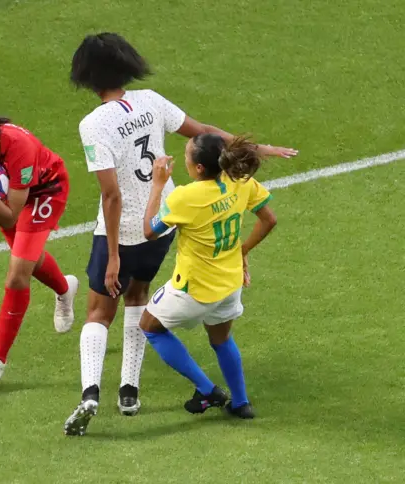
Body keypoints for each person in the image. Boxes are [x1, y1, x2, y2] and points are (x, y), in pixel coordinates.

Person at [63, 32, 297, 436]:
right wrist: (259, 148)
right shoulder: (152, 101)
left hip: (127, 231)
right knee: (139, 297)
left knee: (99, 311)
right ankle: (129, 391)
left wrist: (114, 253)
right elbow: (203, 131)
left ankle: (90, 393)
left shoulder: (93, 124)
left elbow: (111, 194)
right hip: (165, 227)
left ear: (87, 76)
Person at [140, 134, 278, 420]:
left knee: (150, 326)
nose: (186, 159)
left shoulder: (186, 197)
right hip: (230, 283)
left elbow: (150, 231)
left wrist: (158, 186)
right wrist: (242, 250)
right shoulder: (239, 181)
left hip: (194, 288)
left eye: (187, 156)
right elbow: (269, 219)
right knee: (222, 339)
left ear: (199, 168)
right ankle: (240, 403)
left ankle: (206, 389)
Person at [0, 94, 79, 391]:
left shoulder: (20, 147)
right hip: (6, 199)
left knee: (18, 273)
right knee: (26, 260)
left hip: (45, 190)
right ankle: (65, 288)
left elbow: (9, 218)